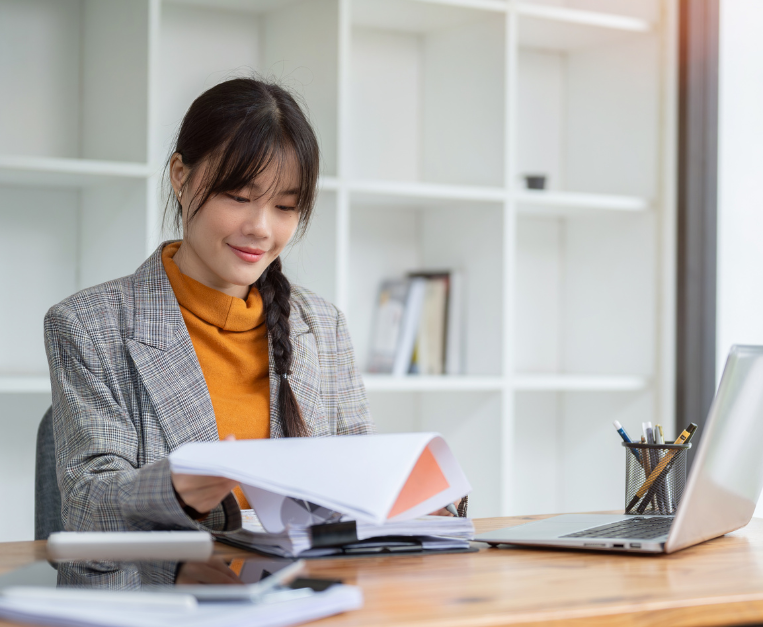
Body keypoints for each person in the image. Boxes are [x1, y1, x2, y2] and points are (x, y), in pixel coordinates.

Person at [46, 80, 461, 577]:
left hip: (300, 601)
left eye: (285, 207)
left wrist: (413, 505)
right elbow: (86, 514)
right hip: (166, 607)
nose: (262, 228)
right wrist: (176, 488)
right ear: (181, 176)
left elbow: (359, 486)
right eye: (239, 196)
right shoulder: (89, 326)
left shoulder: (321, 326)